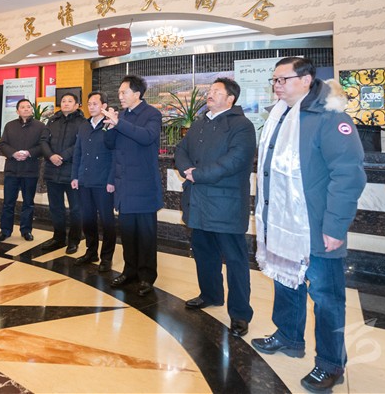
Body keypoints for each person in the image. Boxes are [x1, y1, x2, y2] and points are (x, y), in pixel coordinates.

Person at [250, 56, 365, 393]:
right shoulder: (279, 115)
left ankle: (330, 364)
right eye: (274, 80)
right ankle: (288, 336)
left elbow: (348, 175)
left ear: (306, 79)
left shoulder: (329, 116)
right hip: (282, 223)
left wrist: (335, 226)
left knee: (327, 298)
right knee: (286, 281)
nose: (277, 86)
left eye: (283, 79)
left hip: (317, 226)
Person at [175, 77, 256, 338]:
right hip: (197, 201)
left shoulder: (241, 125)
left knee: (235, 260)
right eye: (209, 90)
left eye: (216, 91)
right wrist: (186, 170)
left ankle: (240, 314)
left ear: (230, 98)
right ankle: (210, 295)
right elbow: (180, 150)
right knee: (204, 253)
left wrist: (198, 174)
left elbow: (235, 160)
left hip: (226, 204)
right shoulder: (200, 123)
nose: (210, 94)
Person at [101, 75, 163, 297]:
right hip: (124, 185)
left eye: (123, 92)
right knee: (127, 234)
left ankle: (146, 276)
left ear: (137, 94)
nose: (120, 96)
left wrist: (119, 123)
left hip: (143, 186)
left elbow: (147, 137)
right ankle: (129, 271)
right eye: (119, 92)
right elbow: (110, 145)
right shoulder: (122, 115)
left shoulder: (152, 114)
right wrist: (110, 127)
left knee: (145, 235)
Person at [71, 91, 116, 272]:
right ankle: (91, 252)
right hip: (84, 180)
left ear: (104, 106)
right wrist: (75, 176)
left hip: (103, 182)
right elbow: (78, 152)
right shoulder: (84, 125)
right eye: (89, 104)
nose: (91, 107)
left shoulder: (110, 125)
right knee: (87, 219)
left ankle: (106, 257)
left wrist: (112, 180)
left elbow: (115, 155)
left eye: (95, 104)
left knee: (107, 221)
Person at [0, 99, 46, 244]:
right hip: (12, 170)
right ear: (17, 111)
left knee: (28, 203)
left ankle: (26, 230)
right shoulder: (10, 125)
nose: (26, 109)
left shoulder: (40, 126)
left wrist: (29, 153)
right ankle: (5, 230)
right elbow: (2, 144)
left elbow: (43, 145)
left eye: (28, 107)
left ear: (32, 109)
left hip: (30, 170)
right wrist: (13, 153)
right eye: (22, 107)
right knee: (8, 203)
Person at [40, 92, 84, 253]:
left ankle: (74, 240)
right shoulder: (52, 120)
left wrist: (63, 156)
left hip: (71, 172)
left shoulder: (82, 122)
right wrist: (51, 155)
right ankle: (58, 238)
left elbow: (80, 144)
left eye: (70, 101)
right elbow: (43, 141)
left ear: (76, 105)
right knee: (55, 207)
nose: (65, 103)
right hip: (52, 170)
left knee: (76, 209)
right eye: (63, 101)